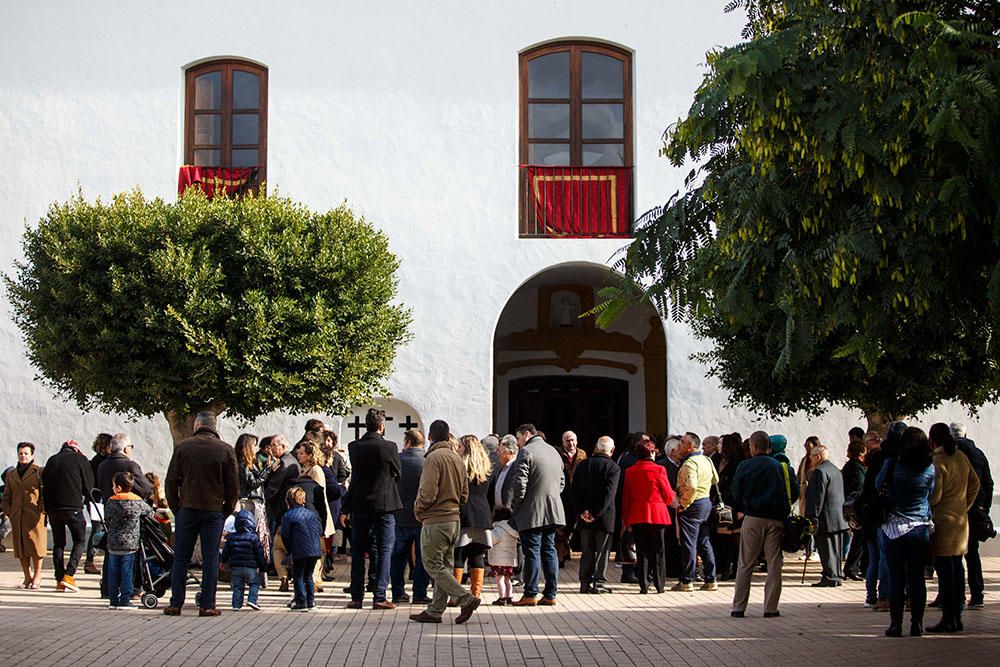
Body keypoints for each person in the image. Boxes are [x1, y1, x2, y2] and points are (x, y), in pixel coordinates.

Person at [163, 412, 239, 617]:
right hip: (213, 509)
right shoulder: (226, 450)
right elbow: (233, 486)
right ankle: (207, 604)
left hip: (187, 507)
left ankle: (176, 603)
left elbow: (171, 481)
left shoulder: (183, 447)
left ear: (197, 425)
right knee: (211, 557)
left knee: (181, 557)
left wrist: (176, 508)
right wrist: (226, 510)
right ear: (215, 427)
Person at [410, 419, 480, 625]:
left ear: (430, 436)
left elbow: (428, 491)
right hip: (454, 519)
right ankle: (435, 610)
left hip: (435, 519)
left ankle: (465, 598)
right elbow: (464, 494)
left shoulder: (433, 458)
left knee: (432, 564)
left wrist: (418, 508)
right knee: (445, 566)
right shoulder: (457, 458)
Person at [730, 431, 798, 618]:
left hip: (753, 517)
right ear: (769, 447)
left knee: (746, 563)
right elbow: (794, 491)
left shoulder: (745, 466)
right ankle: (770, 608)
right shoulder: (781, 467)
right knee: (774, 563)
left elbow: (736, 491)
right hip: (776, 519)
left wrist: (746, 504)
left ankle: (739, 607)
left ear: (753, 447)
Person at [878, 426, 935, 637]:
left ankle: (896, 624)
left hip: (894, 526)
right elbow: (932, 492)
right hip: (920, 526)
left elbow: (878, 485)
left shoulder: (894, 466)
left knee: (896, 578)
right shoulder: (930, 469)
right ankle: (917, 623)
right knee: (917, 578)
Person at [343, 408, 402, 610]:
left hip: (360, 503)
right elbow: (398, 473)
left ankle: (357, 596)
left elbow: (356, 477)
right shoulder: (390, 447)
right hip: (384, 504)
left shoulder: (354, 447)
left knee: (358, 551)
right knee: (385, 549)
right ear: (382, 426)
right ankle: (379, 596)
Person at [926, 423, 980, 633]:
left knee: (946, 571)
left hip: (943, 522)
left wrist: (929, 505)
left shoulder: (938, 461)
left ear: (933, 440)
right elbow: (975, 483)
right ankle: (956, 614)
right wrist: (964, 505)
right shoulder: (961, 457)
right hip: (960, 521)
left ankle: (949, 616)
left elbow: (936, 494)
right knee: (958, 568)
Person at [510, 424, 566, 606]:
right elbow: (562, 481)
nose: (518, 443)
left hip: (531, 510)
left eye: (518, 439)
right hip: (552, 509)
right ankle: (551, 593)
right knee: (549, 549)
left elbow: (520, 482)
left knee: (532, 551)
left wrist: (516, 504)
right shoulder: (554, 452)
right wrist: (552, 495)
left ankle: (530, 593)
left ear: (526, 434)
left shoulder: (526, 452)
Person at [622, 436, 675, 594]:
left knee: (642, 550)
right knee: (658, 550)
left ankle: (643, 584)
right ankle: (660, 584)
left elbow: (626, 496)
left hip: (638, 514)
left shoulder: (630, 471)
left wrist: (626, 518)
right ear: (651, 453)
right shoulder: (659, 469)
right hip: (658, 513)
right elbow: (667, 495)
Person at [42, 438, 94, 592]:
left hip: (53, 508)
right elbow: (89, 485)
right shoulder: (79, 459)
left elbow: (44, 482)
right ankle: (69, 575)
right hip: (73, 507)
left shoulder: (51, 460)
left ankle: (59, 579)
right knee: (79, 540)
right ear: (76, 449)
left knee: (58, 543)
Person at [950, 422, 993, 610]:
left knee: (953, 555)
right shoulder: (978, 454)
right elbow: (988, 483)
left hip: (954, 509)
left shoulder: (950, 454)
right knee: (972, 553)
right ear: (966, 434)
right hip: (976, 510)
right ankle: (977, 594)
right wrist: (984, 507)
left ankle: (954, 596)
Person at [573, 436, 620, 594]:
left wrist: (583, 511)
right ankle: (599, 583)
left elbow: (575, 491)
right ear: (612, 450)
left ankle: (584, 583)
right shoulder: (613, 467)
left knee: (587, 550)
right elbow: (609, 494)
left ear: (596, 448)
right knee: (602, 550)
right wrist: (595, 512)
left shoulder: (583, 465)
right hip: (603, 516)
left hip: (584, 516)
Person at [673, 431, 719, 592]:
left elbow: (691, 486)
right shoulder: (706, 459)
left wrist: (684, 503)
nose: (679, 444)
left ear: (691, 446)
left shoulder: (690, 463)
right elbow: (715, 479)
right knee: (704, 541)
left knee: (689, 543)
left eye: (683, 442)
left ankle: (687, 580)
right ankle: (711, 578)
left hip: (692, 504)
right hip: (705, 501)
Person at [390, 428, 430, 604]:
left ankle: (398, 592)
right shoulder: (428, 461)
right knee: (422, 557)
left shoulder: (397, 459)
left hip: (400, 515)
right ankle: (420, 593)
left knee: (398, 556)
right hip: (422, 516)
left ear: (407, 443)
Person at [104, 471, 153, 610]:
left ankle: (113, 600)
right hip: (130, 544)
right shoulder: (137, 501)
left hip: (113, 543)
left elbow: (107, 517)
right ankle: (125, 599)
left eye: (114, 486)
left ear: (118, 487)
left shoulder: (111, 501)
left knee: (113, 572)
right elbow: (150, 512)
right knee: (127, 572)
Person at [454, 435, 493, 603]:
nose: (458, 449)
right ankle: (476, 594)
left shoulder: (460, 468)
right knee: (477, 556)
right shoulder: (486, 469)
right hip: (482, 514)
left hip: (464, 513)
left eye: (460, 447)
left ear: (467, 449)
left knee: (458, 555)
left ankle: (456, 595)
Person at [2, 442, 45, 589]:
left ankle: (37, 576)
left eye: (26, 453)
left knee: (36, 547)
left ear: (32, 455)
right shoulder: (11, 474)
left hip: (34, 515)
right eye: (20, 453)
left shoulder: (38, 471)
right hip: (17, 516)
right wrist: (9, 511)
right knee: (21, 548)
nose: (23, 456)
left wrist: (41, 509)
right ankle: (27, 576)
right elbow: (7, 495)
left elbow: (44, 493)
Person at [805, 444, 849, 586]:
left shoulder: (819, 472)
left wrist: (812, 516)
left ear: (818, 457)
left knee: (826, 548)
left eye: (811, 457)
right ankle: (836, 574)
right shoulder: (836, 470)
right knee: (836, 549)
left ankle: (830, 576)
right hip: (837, 516)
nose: (810, 460)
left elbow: (817, 497)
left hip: (825, 517)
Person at [281, 487, 323, 612]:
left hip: (300, 549)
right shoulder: (311, 514)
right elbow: (319, 530)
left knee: (298, 575)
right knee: (308, 575)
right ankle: (311, 602)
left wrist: (289, 550)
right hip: (315, 549)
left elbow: (285, 535)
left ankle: (301, 602)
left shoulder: (288, 516)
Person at [714, 432, 747, 581]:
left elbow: (743, 487)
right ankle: (723, 567)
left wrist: (742, 508)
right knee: (722, 537)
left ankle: (733, 568)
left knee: (734, 539)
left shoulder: (739, 462)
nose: (718, 446)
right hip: (720, 504)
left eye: (721, 443)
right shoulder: (716, 459)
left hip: (734, 504)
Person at [221, 509, 267, 611]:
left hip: (236, 567)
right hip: (251, 567)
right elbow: (259, 554)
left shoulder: (231, 537)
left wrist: (223, 561)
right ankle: (252, 600)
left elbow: (226, 552)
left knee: (237, 586)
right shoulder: (254, 538)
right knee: (254, 583)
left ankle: (236, 605)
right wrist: (263, 567)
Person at [556, 430, 586, 566]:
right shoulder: (557, 454)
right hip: (562, 494)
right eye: (568, 440)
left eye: (573, 440)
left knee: (574, 524)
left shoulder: (582, 454)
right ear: (563, 442)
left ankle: (567, 547)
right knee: (562, 525)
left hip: (578, 493)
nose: (571, 443)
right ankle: (561, 555)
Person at [84, 433, 113, 575]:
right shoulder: (103, 462)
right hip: (98, 500)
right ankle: (89, 561)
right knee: (97, 529)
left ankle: (91, 561)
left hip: (93, 499)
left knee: (98, 529)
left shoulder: (94, 461)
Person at [656, 435, 684, 578]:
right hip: (666, 508)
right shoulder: (661, 466)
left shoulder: (683, 464)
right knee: (668, 539)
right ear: (673, 451)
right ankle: (669, 568)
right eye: (680, 449)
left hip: (680, 507)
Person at [97, 433, 152, 504]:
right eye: (131, 446)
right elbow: (146, 489)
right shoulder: (130, 466)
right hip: (129, 509)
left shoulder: (102, 466)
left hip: (109, 509)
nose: (131, 449)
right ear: (126, 449)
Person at [842, 438, 867, 581]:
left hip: (853, 506)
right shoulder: (855, 467)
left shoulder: (853, 466)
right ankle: (851, 568)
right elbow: (860, 487)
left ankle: (852, 568)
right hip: (856, 508)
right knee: (859, 538)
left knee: (859, 538)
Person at [489, 508, 519, 605]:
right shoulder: (512, 530)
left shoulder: (498, 529)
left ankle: (502, 598)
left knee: (499, 579)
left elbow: (493, 540)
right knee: (507, 579)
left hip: (499, 560)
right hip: (509, 559)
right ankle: (509, 596)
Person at [487, 436, 517, 516]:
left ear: (510, 453)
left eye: (501, 452)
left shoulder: (515, 467)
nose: (498, 454)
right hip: (500, 513)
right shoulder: (503, 467)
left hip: (509, 513)